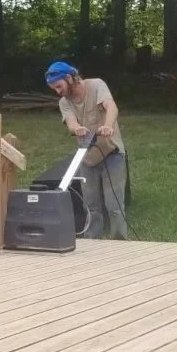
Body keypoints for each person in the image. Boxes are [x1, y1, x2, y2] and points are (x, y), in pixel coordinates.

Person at [44, 60, 128, 240]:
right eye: (54, 89)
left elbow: (111, 106)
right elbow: (71, 122)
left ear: (69, 77)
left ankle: (120, 244)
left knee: (114, 204)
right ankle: (92, 244)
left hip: (111, 153)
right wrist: (77, 129)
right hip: (87, 158)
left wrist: (107, 126)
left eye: (59, 86)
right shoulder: (64, 102)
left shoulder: (97, 85)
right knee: (90, 205)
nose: (58, 91)